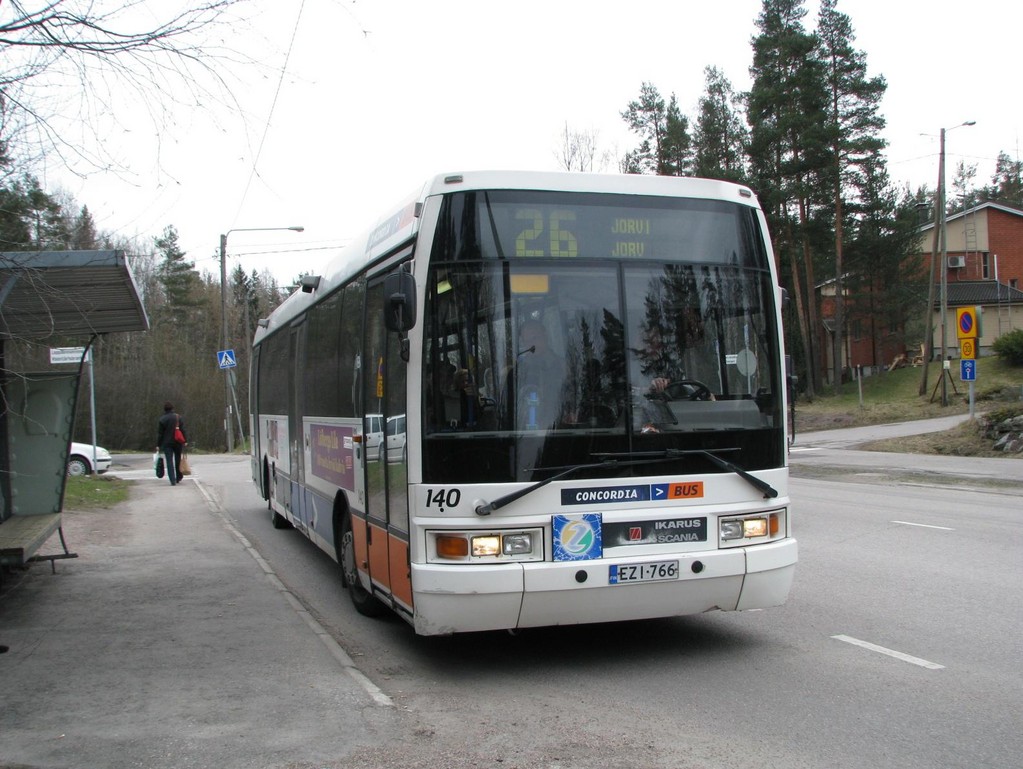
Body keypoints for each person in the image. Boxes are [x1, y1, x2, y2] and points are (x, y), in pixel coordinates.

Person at [157, 402, 187, 486]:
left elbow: (160, 434)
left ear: (165, 409)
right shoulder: (178, 417)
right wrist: (185, 441)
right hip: (178, 441)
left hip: (167, 443)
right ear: (172, 408)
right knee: (177, 459)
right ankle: (178, 477)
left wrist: (158, 445)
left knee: (169, 461)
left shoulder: (162, 419)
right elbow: (183, 430)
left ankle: (172, 480)